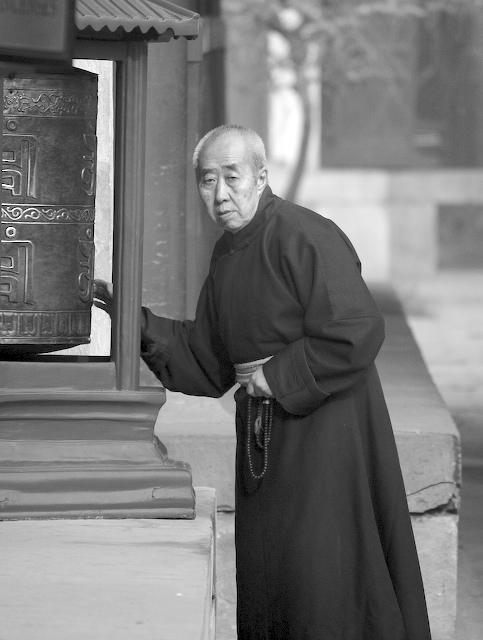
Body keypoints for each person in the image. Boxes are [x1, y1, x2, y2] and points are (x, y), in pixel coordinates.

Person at [95, 124, 431, 640]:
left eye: (232, 177)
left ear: (261, 177)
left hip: (327, 435)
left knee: (321, 573)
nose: (221, 193)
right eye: (208, 181)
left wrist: (275, 375)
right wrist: (133, 321)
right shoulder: (227, 256)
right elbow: (208, 358)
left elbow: (357, 328)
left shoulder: (306, 234)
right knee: (271, 571)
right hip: (264, 440)